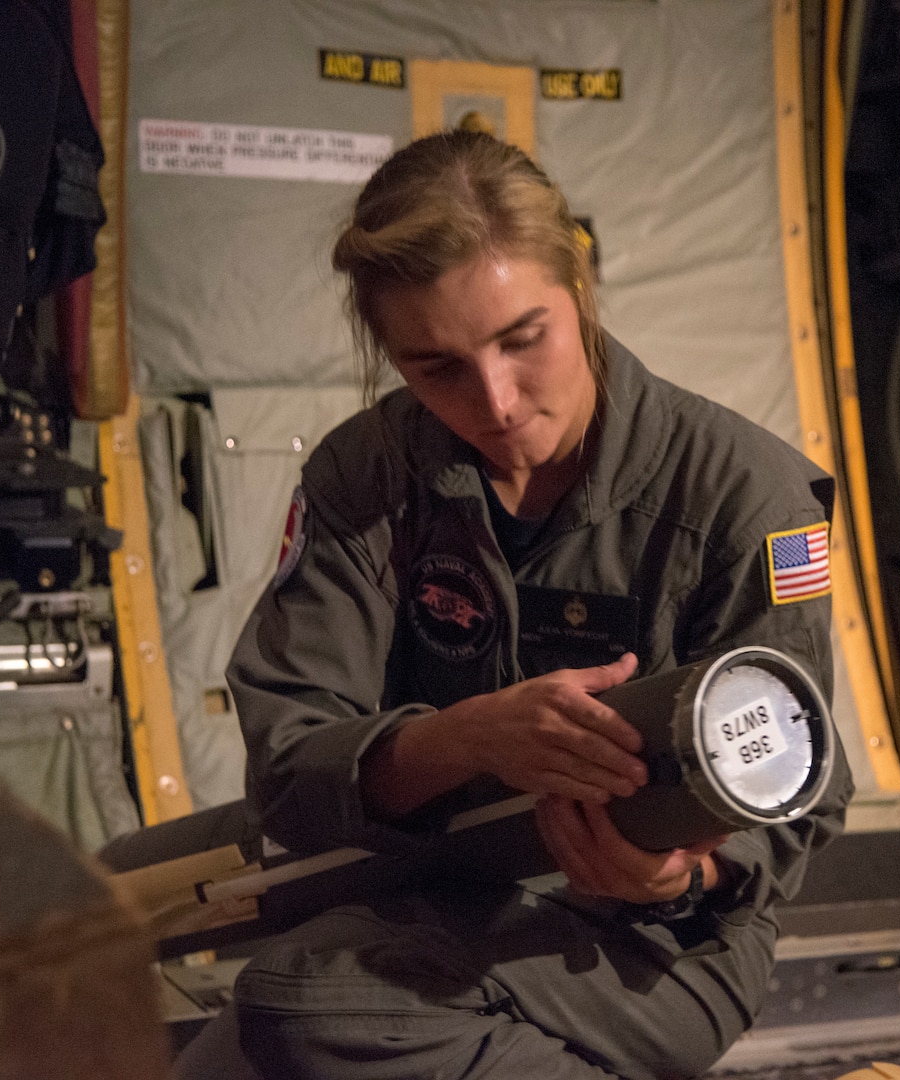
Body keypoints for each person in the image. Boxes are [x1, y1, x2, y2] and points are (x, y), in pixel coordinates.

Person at [224, 129, 854, 1080]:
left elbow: (800, 786)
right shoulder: (364, 476)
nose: (497, 399)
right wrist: (461, 739)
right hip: (420, 896)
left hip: (651, 946)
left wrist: (675, 872)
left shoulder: (749, 498)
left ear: (581, 290)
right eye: (436, 367)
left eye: (524, 339)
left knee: (295, 1006)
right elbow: (286, 763)